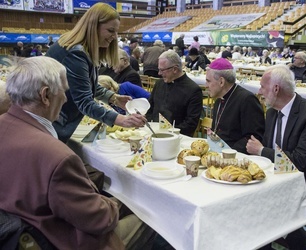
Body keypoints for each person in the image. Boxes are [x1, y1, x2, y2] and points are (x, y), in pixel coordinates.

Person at [0, 56, 156, 249]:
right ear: (45, 95)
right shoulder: (56, 156)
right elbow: (99, 219)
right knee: (153, 215)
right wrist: (112, 205)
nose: (66, 99)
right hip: (60, 238)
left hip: (21, 228)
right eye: (64, 92)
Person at [246, 64, 306, 249]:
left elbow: (301, 162)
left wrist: (261, 151)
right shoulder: (271, 113)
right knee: (245, 200)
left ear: (276, 89)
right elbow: (272, 153)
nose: (259, 91)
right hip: (279, 179)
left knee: (263, 208)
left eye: (263, 86)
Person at [46, 3, 147, 142]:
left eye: (116, 31)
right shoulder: (76, 53)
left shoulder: (80, 49)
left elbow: (86, 85)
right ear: (94, 26)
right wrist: (121, 120)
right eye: (111, 30)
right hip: (52, 125)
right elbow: (84, 101)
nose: (114, 37)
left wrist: (114, 98)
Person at [206, 58, 264, 154]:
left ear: (221, 82)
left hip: (237, 156)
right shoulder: (219, 99)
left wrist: (229, 152)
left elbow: (253, 137)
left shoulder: (247, 100)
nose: (206, 85)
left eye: (208, 81)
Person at [146, 50, 203, 137]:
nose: (159, 73)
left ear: (175, 69)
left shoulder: (193, 90)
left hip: (177, 137)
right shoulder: (159, 83)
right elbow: (150, 108)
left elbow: (190, 124)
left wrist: (167, 133)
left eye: (162, 70)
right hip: (153, 133)